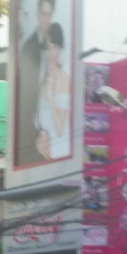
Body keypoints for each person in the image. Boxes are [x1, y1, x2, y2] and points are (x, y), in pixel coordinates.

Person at [16, 0, 56, 168]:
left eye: (49, 14)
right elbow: (25, 104)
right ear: (37, 13)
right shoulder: (29, 48)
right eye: (43, 14)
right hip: (30, 139)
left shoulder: (53, 44)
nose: (45, 20)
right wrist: (36, 136)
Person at [35, 22, 71, 160]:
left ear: (60, 49)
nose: (50, 53)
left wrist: (50, 100)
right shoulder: (43, 79)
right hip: (46, 156)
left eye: (54, 47)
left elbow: (60, 129)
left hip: (60, 155)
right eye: (47, 47)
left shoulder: (64, 79)